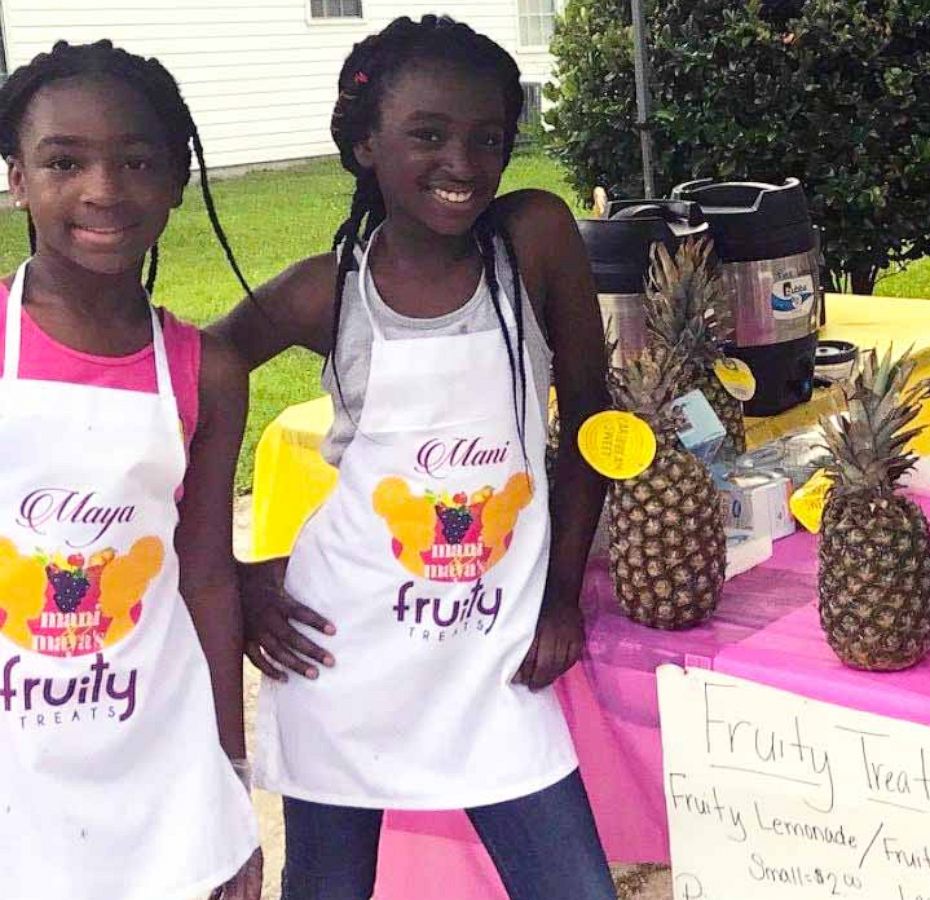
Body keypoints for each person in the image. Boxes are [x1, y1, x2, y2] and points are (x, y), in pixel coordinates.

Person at [210, 15, 613, 899]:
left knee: (575, 886)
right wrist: (230, 572)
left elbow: (591, 421)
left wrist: (562, 596)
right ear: (363, 145)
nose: (462, 164)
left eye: (489, 139)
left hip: (494, 657)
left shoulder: (532, 241)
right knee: (327, 887)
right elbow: (197, 374)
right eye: (427, 135)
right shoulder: (328, 291)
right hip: (342, 658)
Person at [0, 40, 261, 900]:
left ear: (177, 179)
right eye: (63, 161)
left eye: (137, 161)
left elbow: (209, 578)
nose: (103, 190)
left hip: (158, 762)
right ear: (15, 177)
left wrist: (227, 781)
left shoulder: (205, 370)